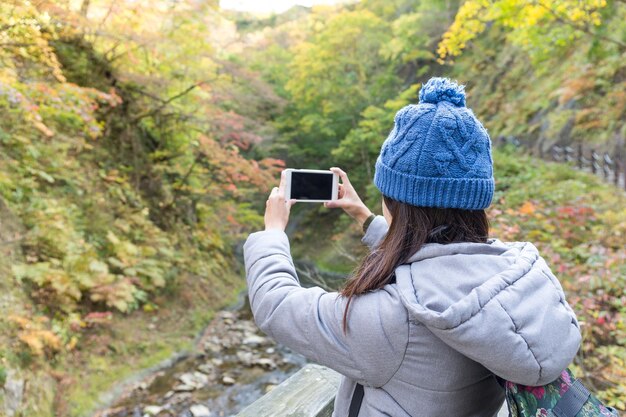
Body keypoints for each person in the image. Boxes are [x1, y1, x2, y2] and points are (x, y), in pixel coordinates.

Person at [243, 77, 581, 417]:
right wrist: (364, 217)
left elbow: (275, 304)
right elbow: (435, 267)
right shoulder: (508, 277)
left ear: (395, 203)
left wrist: (273, 232)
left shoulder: (392, 324)